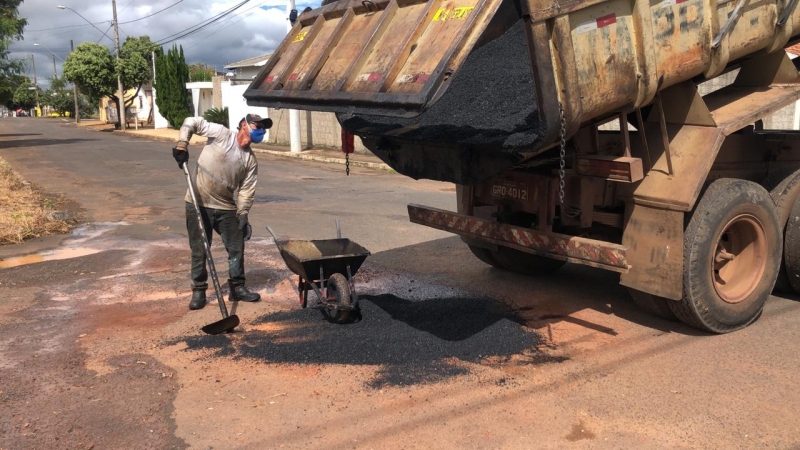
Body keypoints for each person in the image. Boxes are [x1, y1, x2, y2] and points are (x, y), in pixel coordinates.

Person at [172, 113, 273, 310]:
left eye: (263, 128)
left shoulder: (250, 160)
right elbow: (191, 122)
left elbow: (246, 189)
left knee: (237, 246)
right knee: (200, 247)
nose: (261, 130)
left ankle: (237, 288)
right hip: (197, 201)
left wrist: (243, 213)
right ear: (244, 125)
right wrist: (182, 144)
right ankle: (199, 290)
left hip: (225, 206)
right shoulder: (221, 134)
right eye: (257, 126)